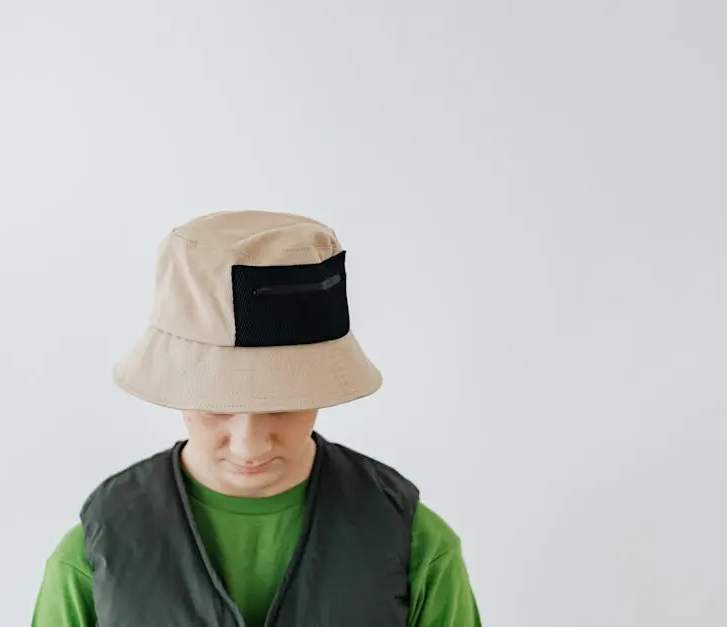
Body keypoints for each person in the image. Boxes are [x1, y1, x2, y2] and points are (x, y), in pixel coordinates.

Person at [31, 210, 481, 626]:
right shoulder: (95, 554)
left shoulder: (415, 544)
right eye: (217, 404)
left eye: (282, 402)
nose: (250, 444)